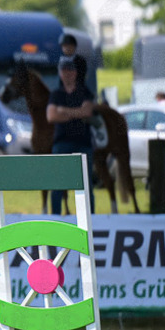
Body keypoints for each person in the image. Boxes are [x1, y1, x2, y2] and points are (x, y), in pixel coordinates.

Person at [47, 56, 96, 213]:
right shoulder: (56, 94)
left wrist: (64, 111)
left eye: (70, 70)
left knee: (86, 185)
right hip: (61, 143)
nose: (67, 73)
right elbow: (51, 116)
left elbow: (87, 111)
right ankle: (55, 218)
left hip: (83, 143)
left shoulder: (84, 92)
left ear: (75, 72)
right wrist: (77, 114)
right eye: (64, 70)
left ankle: (90, 219)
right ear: (60, 73)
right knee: (57, 185)